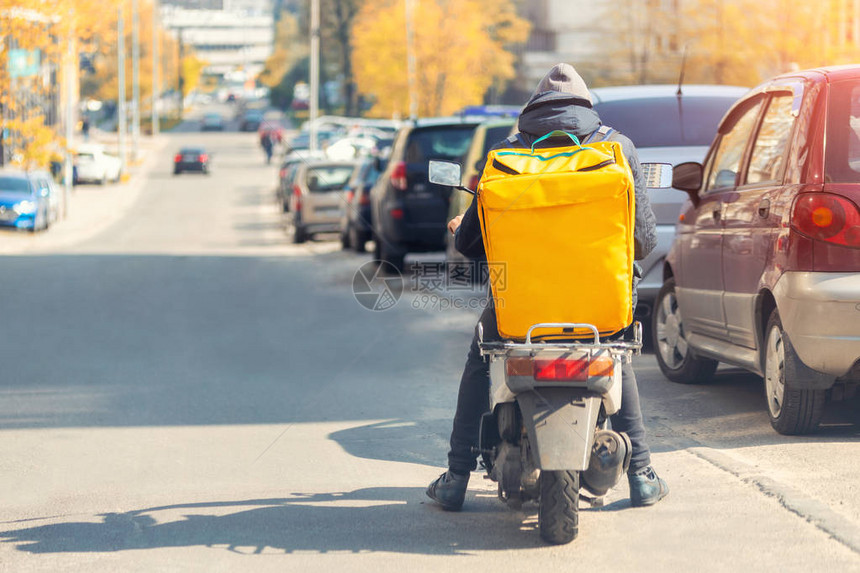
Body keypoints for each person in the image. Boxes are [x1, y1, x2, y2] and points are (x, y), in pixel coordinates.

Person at [426, 63, 669, 511]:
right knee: (617, 352)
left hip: (520, 312)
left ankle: (457, 477)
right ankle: (643, 475)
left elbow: (470, 244)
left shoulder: (505, 155)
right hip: (599, 308)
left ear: (534, 108)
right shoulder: (617, 148)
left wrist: (464, 227)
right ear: (585, 106)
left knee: (481, 360)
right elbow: (644, 240)